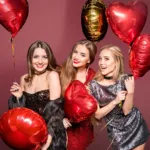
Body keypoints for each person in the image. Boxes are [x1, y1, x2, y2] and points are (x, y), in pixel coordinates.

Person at [8, 40, 66, 150]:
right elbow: (20, 115)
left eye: (44, 57)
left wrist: (47, 142)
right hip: (29, 137)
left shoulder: (52, 75)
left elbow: (55, 112)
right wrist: (19, 97)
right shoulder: (24, 79)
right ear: (30, 59)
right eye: (36, 57)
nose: (40, 61)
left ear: (49, 59)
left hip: (50, 136)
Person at [89, 45, 149, 150]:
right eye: (100, 58)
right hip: (117, 134)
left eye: (106, 59)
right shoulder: (94, 85)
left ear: (116, 62)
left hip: (135, 126)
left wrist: (130, 92)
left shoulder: (124, 79)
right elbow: (97, 115)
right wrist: (115, 101)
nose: (101, 62)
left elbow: (126, 111)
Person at [60, 39, 97, 150]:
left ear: (89, 59)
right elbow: (54, 100)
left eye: (82, 55)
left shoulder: (93, 77)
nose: (76, 57)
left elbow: (95, 106)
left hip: (83, 128)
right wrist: (59, 119)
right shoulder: (62, 72)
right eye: (75, 52)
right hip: (63, 125)